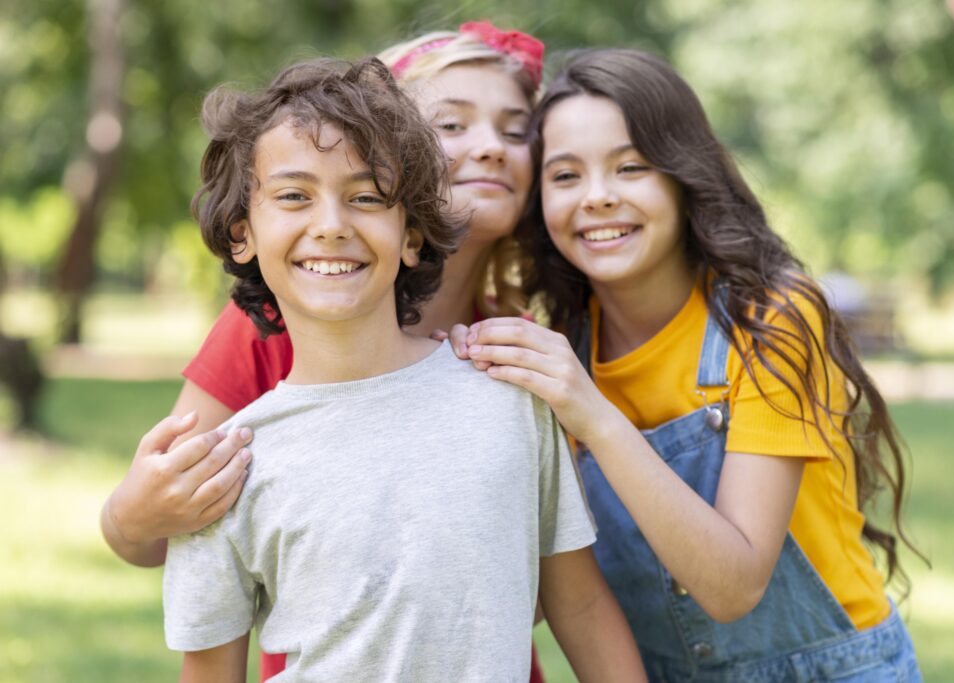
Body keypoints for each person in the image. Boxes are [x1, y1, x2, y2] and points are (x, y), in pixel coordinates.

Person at [162, 56, 644, 682]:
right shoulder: (229, 464)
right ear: (241, 234)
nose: (331, 225)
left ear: (412, 235)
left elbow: (577, 603)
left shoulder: (509, 401)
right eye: (292, 196)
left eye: (366, 197)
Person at [99, 21, 554, 680]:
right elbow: (173, 513)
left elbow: (546, 575)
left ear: (410, 226)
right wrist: (126, 517)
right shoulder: (270, 322)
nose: (488, 147)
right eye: (452, 126)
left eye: (515, 130)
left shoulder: (521, 352)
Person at [451, 49, 923, 681]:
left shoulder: (773, 319)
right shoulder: (563, 347)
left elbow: (733, 588)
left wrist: (594, 417)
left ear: (681, 175)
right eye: (565, 176)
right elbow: (556, 594)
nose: (597, 197)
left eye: (631, 167)